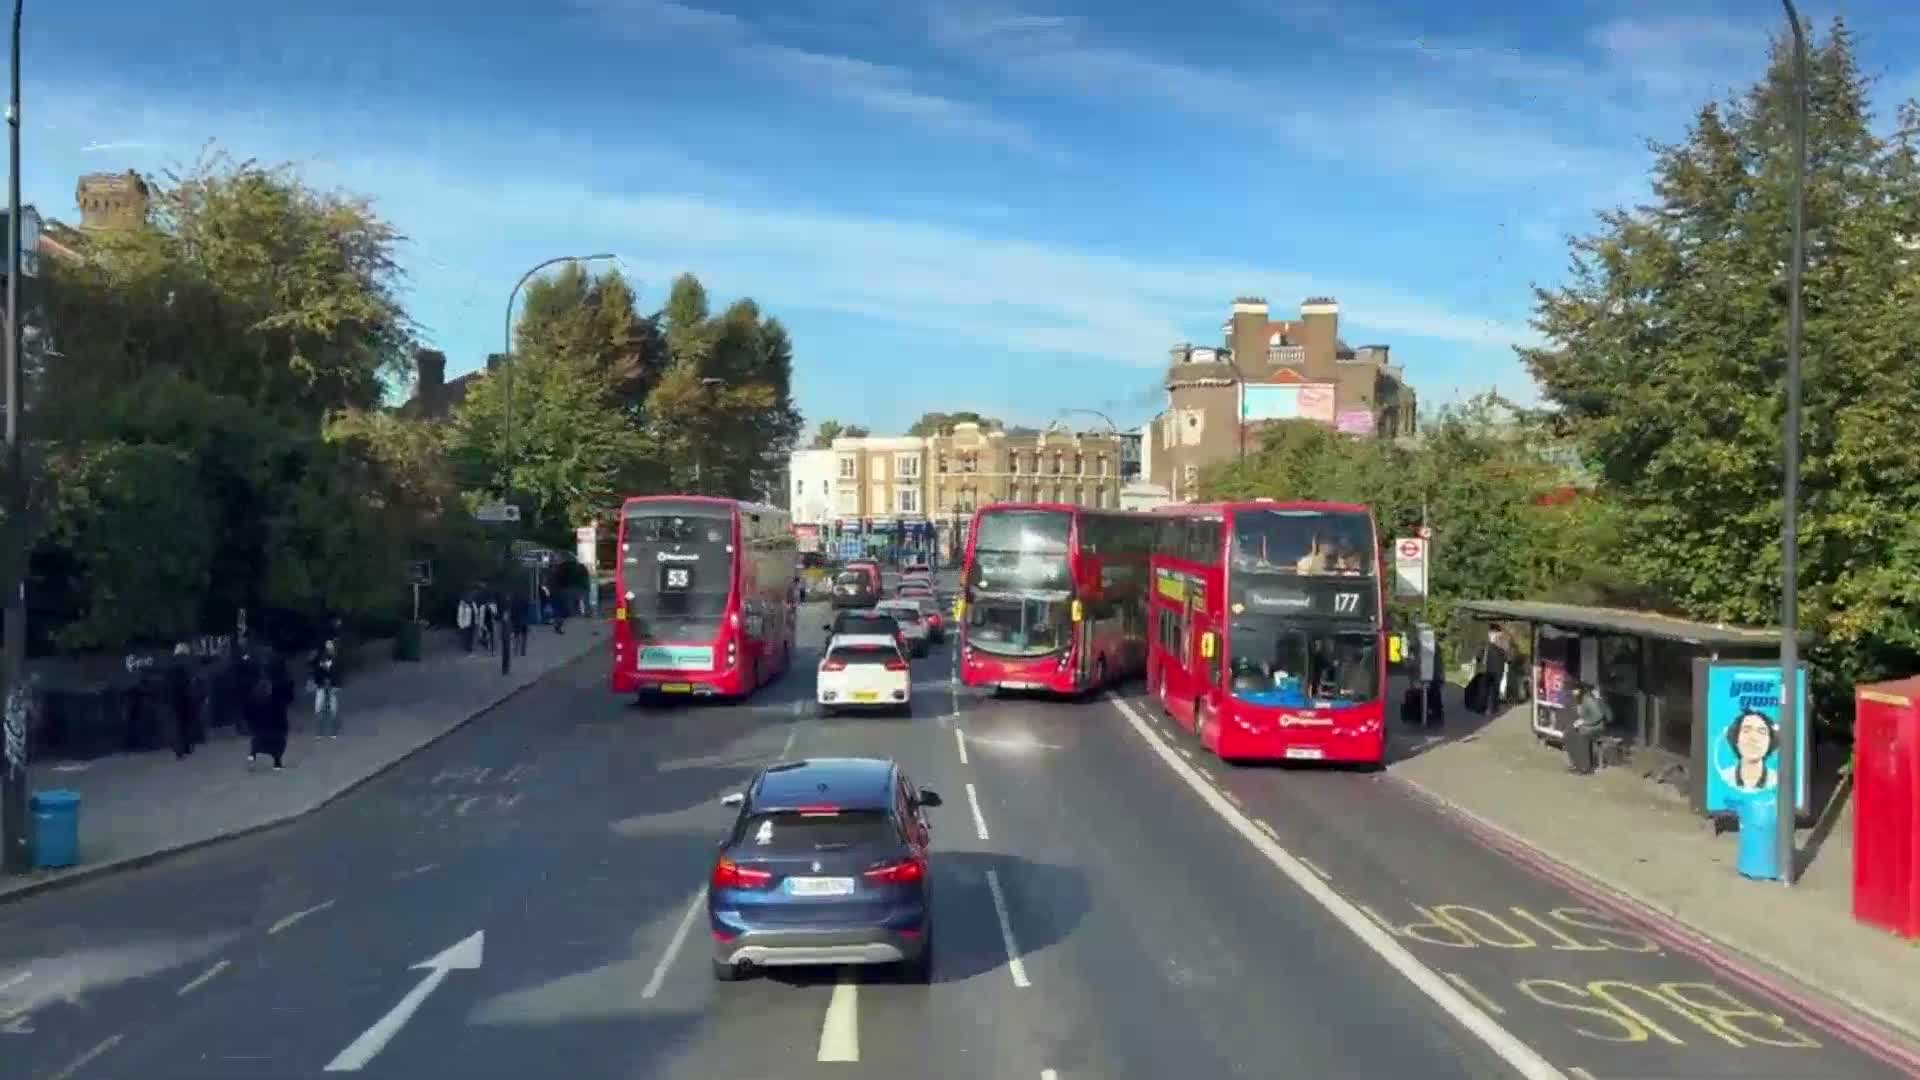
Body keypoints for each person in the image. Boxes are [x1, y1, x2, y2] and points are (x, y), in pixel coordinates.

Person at [245, 648, 291, 771]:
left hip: (263, 713)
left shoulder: (261, 680)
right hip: (273, 714)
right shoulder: (277, 678)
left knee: (260, 737)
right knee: (277, 738)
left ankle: (253, 755)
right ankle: (276, 762)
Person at [1564, 682, 1612, 775]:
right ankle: (1576, 763)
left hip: (1597, 726)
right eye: (1573, 691)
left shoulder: (1588, 699)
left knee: (1582, 734)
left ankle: (1585, 768)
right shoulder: (1578, 699)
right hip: (1588, 725)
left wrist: (1583, 722)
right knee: (1568, 734)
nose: (1574, 693)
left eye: (1576, 691)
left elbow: (1598, 715)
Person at [167, 643, 204, 759]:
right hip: (187, 696)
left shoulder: (171, 663)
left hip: (174, 697)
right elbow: (193, 679)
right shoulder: (188, 663)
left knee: (178, 723)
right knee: (187, 723)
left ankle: (180, 748)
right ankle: (186, 746)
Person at [311, 637, 343, 737]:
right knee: (319, 709)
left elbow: (337, 673)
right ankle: (320, 732)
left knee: (332, 710)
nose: (330, 647)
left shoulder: (335, 659)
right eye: (328, 646)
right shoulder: (320, 658)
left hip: (331, 687)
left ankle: (332, 732)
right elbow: (316, 671)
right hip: (322, 686)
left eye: (331, 646)